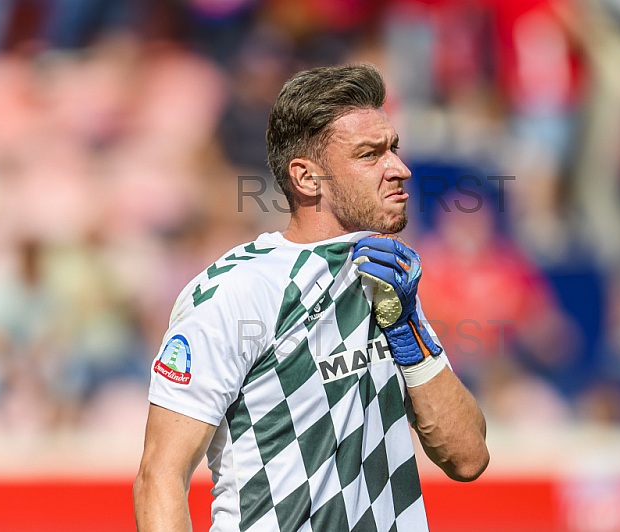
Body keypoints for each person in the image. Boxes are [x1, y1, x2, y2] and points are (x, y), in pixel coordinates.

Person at [133, 64, 489, 532]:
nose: (399, 169)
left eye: (394, 149)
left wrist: (410, 334)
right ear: (306, 179)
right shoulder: (237, 291)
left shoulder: (386, 278)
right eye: (370, 154)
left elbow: (468, 458)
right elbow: (159, 475)